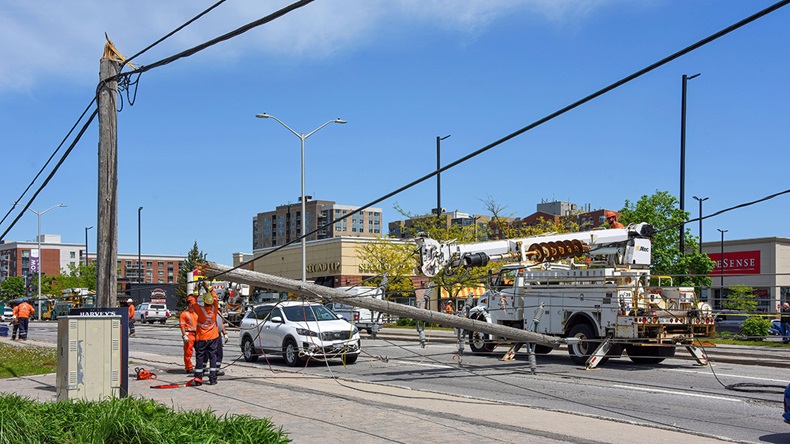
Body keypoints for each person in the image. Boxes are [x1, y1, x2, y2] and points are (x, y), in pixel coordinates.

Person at [192, 282, 221, 386]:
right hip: (213, 337)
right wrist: (208, 287)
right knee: (213, 357)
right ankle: (213, 378)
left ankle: (198, 378)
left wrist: (196, 290)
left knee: (200, 357)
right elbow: (216, 298)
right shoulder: (214, 309)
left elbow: (192, 302)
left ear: (204, 301)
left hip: (202, 338)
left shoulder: (200, 310)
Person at [179, 301, 198, 373]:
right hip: (189, 334)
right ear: (189, 305)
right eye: (193, 303)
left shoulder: (196, 313)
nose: (194, 305)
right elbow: (182, 326)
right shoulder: (184, 314)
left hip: (197, 334)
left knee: (200, 351)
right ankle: (189, 368)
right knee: (188, 351)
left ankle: (199, 366)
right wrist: (184, 335)